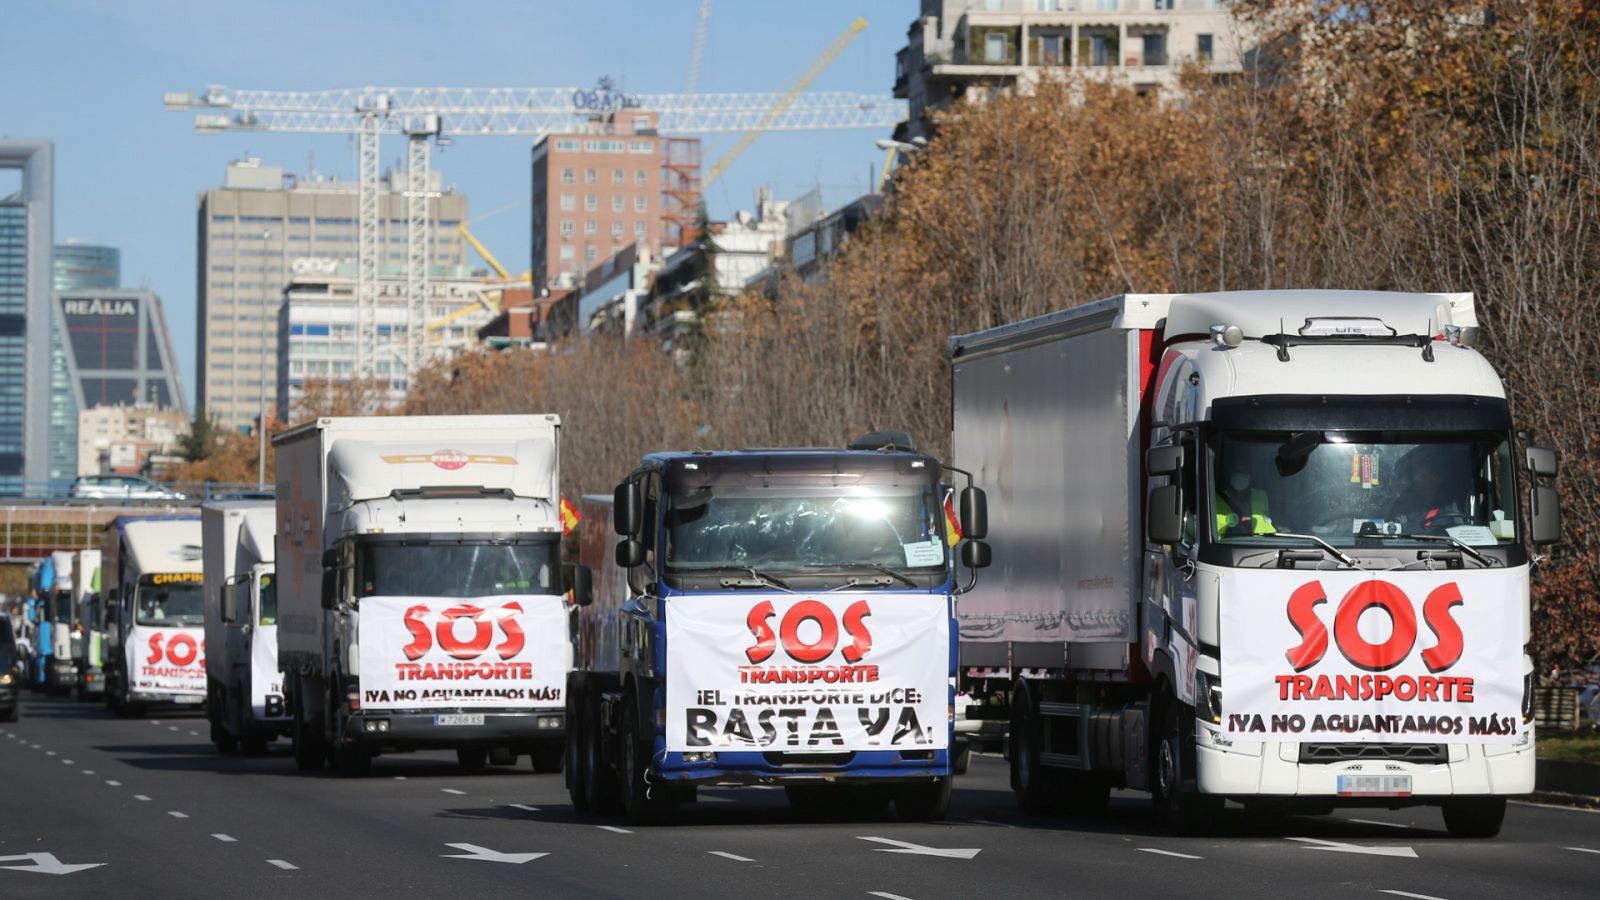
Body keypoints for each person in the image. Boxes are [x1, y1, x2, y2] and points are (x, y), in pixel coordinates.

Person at [1214, 452, 1276, 537]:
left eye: (1243, 472)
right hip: (1226, 546)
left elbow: (1267, 525)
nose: (1240, 475)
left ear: (1250, 475)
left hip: (1258, 547)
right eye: (1236, 472)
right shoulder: (1217, 499)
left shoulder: (1261, 496)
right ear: (1230, 475)